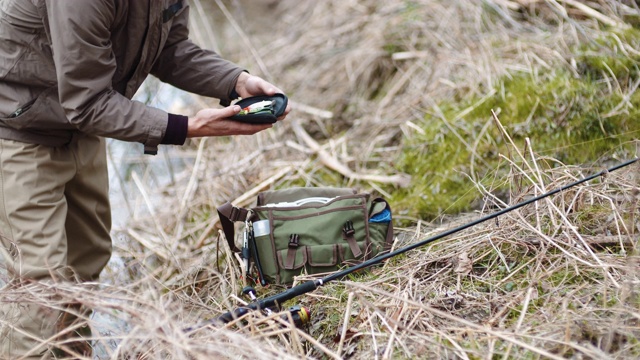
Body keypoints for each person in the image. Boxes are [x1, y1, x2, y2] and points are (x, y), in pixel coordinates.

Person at [0, 0, 290, 357]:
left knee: (85, 263)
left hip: (79, 126)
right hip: (17, 130)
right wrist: (185, 127)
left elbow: (169, 49)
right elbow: (88, 102)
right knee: (42, 287)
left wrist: (236, 81)